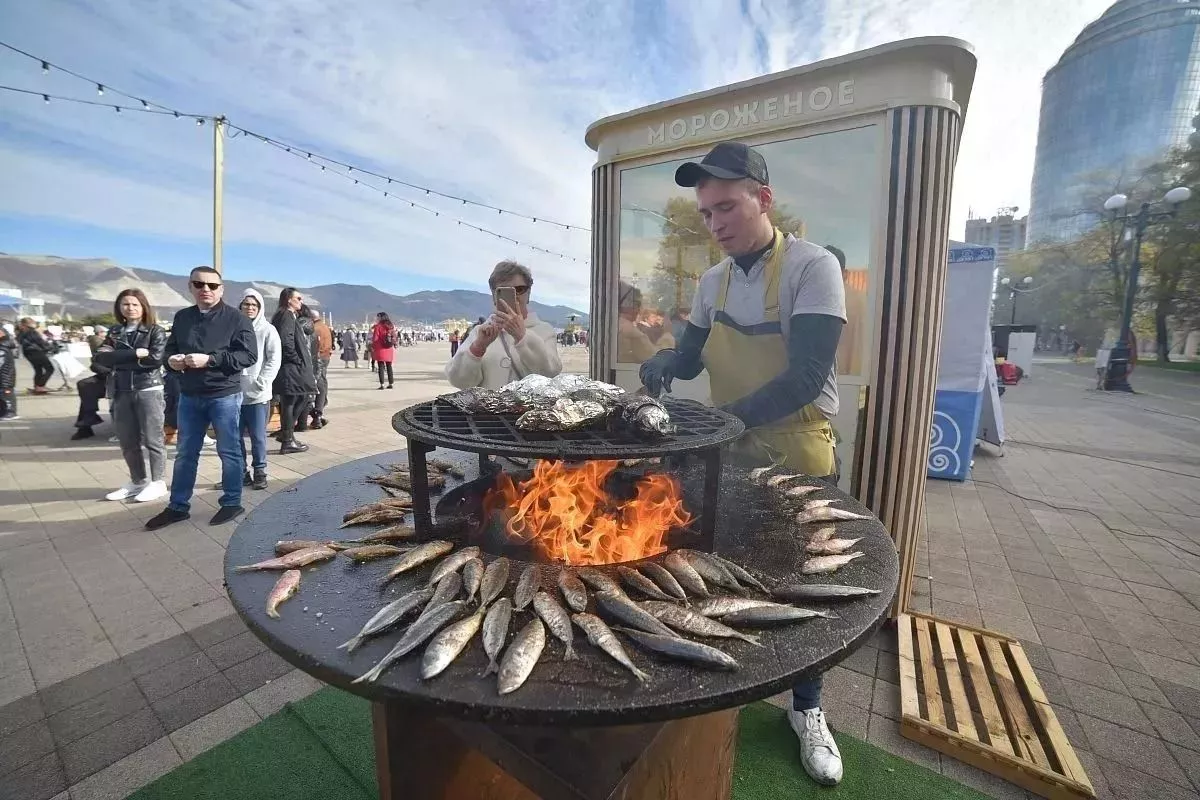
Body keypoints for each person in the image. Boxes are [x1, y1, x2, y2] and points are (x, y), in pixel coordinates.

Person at [639, 141, 847, 786]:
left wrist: (725, 421)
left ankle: (807, 708)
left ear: (763, 199)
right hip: (731, 446)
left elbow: (806, 376)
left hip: (797, 443)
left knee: (804, 580)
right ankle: (723, 684)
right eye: (707, 212)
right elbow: (691, 359)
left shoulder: (813, 267)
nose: (716, 223)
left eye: (727, 206)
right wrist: (665, 361)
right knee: (720, 567)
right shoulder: (712, 282)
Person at [145, 266, 258, 530]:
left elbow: (248, 355)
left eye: (212, 285)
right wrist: (171, 361)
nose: (205, 289)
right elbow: (170, 350)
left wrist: (211, 360)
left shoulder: (236, 318)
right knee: (185, 453)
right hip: (190, 395)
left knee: (229, 451)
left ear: (221, 289)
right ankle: (177, 506)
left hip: (224, 395)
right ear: (190, 287)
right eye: (199, 284)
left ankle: (232, 502)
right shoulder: (183, 317)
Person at [92, 289, 169, 502]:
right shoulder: (115, 332)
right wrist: (135, 354)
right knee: (127, 440)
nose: (130, 308)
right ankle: (137, 481)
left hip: (148, 389)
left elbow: (154, 360)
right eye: (125, 304)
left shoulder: (155, 331)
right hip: (121, 389)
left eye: (135, 304)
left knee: (153, 439)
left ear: (143, 307)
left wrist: (117, 358)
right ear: (119, 307)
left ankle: (158, 482)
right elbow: (100, 358)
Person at [445, 260, 562, 390]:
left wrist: (523, 337)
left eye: (520, 289)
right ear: (494, 296)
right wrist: (478, 348)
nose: (515, 296)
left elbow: (551, 374)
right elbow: (459, 382)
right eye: (505, 290)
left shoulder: (544, 331)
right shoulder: (480, 333)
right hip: (488, 404)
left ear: (528, 294)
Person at [236, 289, 280, 489]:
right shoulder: (233, 328)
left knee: (258, 436)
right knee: (234, 437)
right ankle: (241, 472)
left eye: (254, 305)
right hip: (234, 392)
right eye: (246, 304)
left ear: (260, 308)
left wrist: (262, 382)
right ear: (240, 306)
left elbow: (274, 359)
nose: (250, 308)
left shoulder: (268, 330)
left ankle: (260, 471)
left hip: (258, 394)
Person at [271, 288, 315, 453]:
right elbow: (286, 340)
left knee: (298, 397)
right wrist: (296, 359)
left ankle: (287, 435)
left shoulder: (285, 315)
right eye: (298, 298)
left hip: (289, 366)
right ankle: (287, 439)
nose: (301, 301)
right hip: (290, 367)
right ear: (289, 299)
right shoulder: (286, 315)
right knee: (291, 400)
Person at [72, 327, 111, 440]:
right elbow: (97, 363)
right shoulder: (108, 343)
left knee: (87, 387)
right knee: (85, 385)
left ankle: (87, 421)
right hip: (108, 376)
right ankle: (88, 420)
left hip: (125, 378)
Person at [16, 318, 56, 393]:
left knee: (38, 370)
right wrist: (50, 347)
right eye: (33, 322)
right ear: (28, 323)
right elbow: (40, 342)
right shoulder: (31, 331)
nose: (35, 324)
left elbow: (20, 341)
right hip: (36, 352)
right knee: (50, 369)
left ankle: (37, 386)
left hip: (28, 353)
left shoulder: (20, 332)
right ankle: (40, 386)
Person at [309, 308, 333, 428]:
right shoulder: (325, 327)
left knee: (318, 383)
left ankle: (317, 412)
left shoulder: (315, 328)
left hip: (318, 358)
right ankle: (321, 405)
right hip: (326, 356)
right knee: (322, 381)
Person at [371, 312, 397, 389]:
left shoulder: (378, 327)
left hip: (380, 349)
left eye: (378, 317)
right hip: (389, 348)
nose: (377, 318)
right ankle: (391, 383)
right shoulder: (391, 326)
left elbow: (375, 339)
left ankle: (382, 384)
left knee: (381, 366)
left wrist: (373, 347)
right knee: (389, 366)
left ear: (381, 318)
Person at [0, 326, 17, 419]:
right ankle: (4, 412)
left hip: (5, 377)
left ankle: (10, 412)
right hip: (5, 376)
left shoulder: (2, 348)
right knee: (3, 394)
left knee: (7, 394)